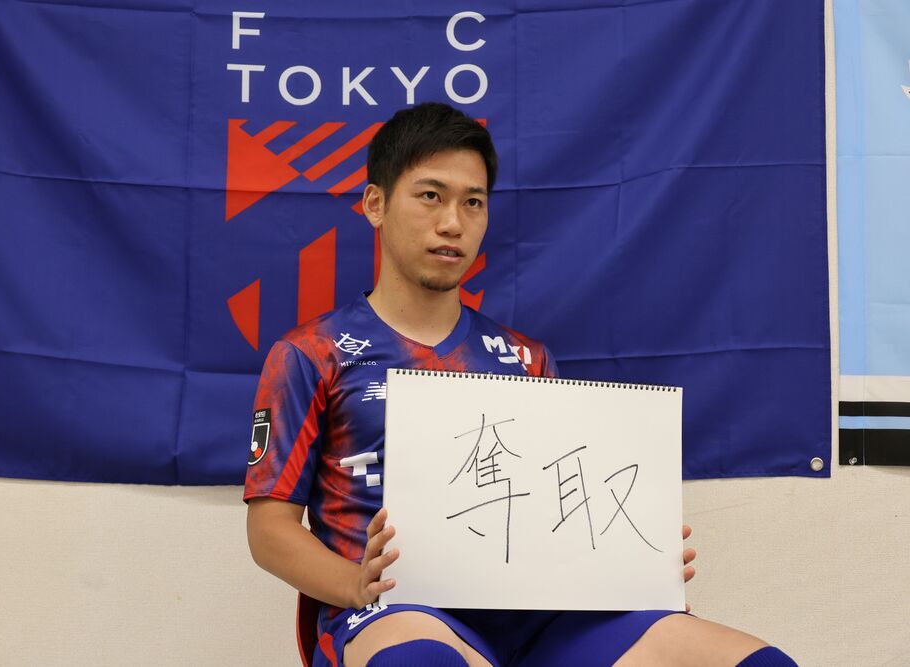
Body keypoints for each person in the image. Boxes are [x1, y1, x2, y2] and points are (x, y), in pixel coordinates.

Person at [244, 103, 796, 667]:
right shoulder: (311, 354)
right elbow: (269, 531)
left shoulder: (528, 358)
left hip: (543, 620)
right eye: (430, 195)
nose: (452, 223)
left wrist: (631, 560)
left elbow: (557, 515)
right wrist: (354, 583)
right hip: (394, 608)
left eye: (473, 202)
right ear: (375, 204)